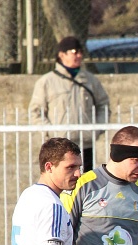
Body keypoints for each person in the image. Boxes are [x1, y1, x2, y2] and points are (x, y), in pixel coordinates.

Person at [29, 36, 110, 171]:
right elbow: (35, 112)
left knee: (84, 184)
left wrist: (96, 130)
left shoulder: (90, 80)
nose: (78, 55)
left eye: (80, 52)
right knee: (62, 184)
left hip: (85, 144)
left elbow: (103, 105)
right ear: (62, 55)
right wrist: (51, 132)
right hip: (59, 147)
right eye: (74, 52)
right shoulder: (47, 81)